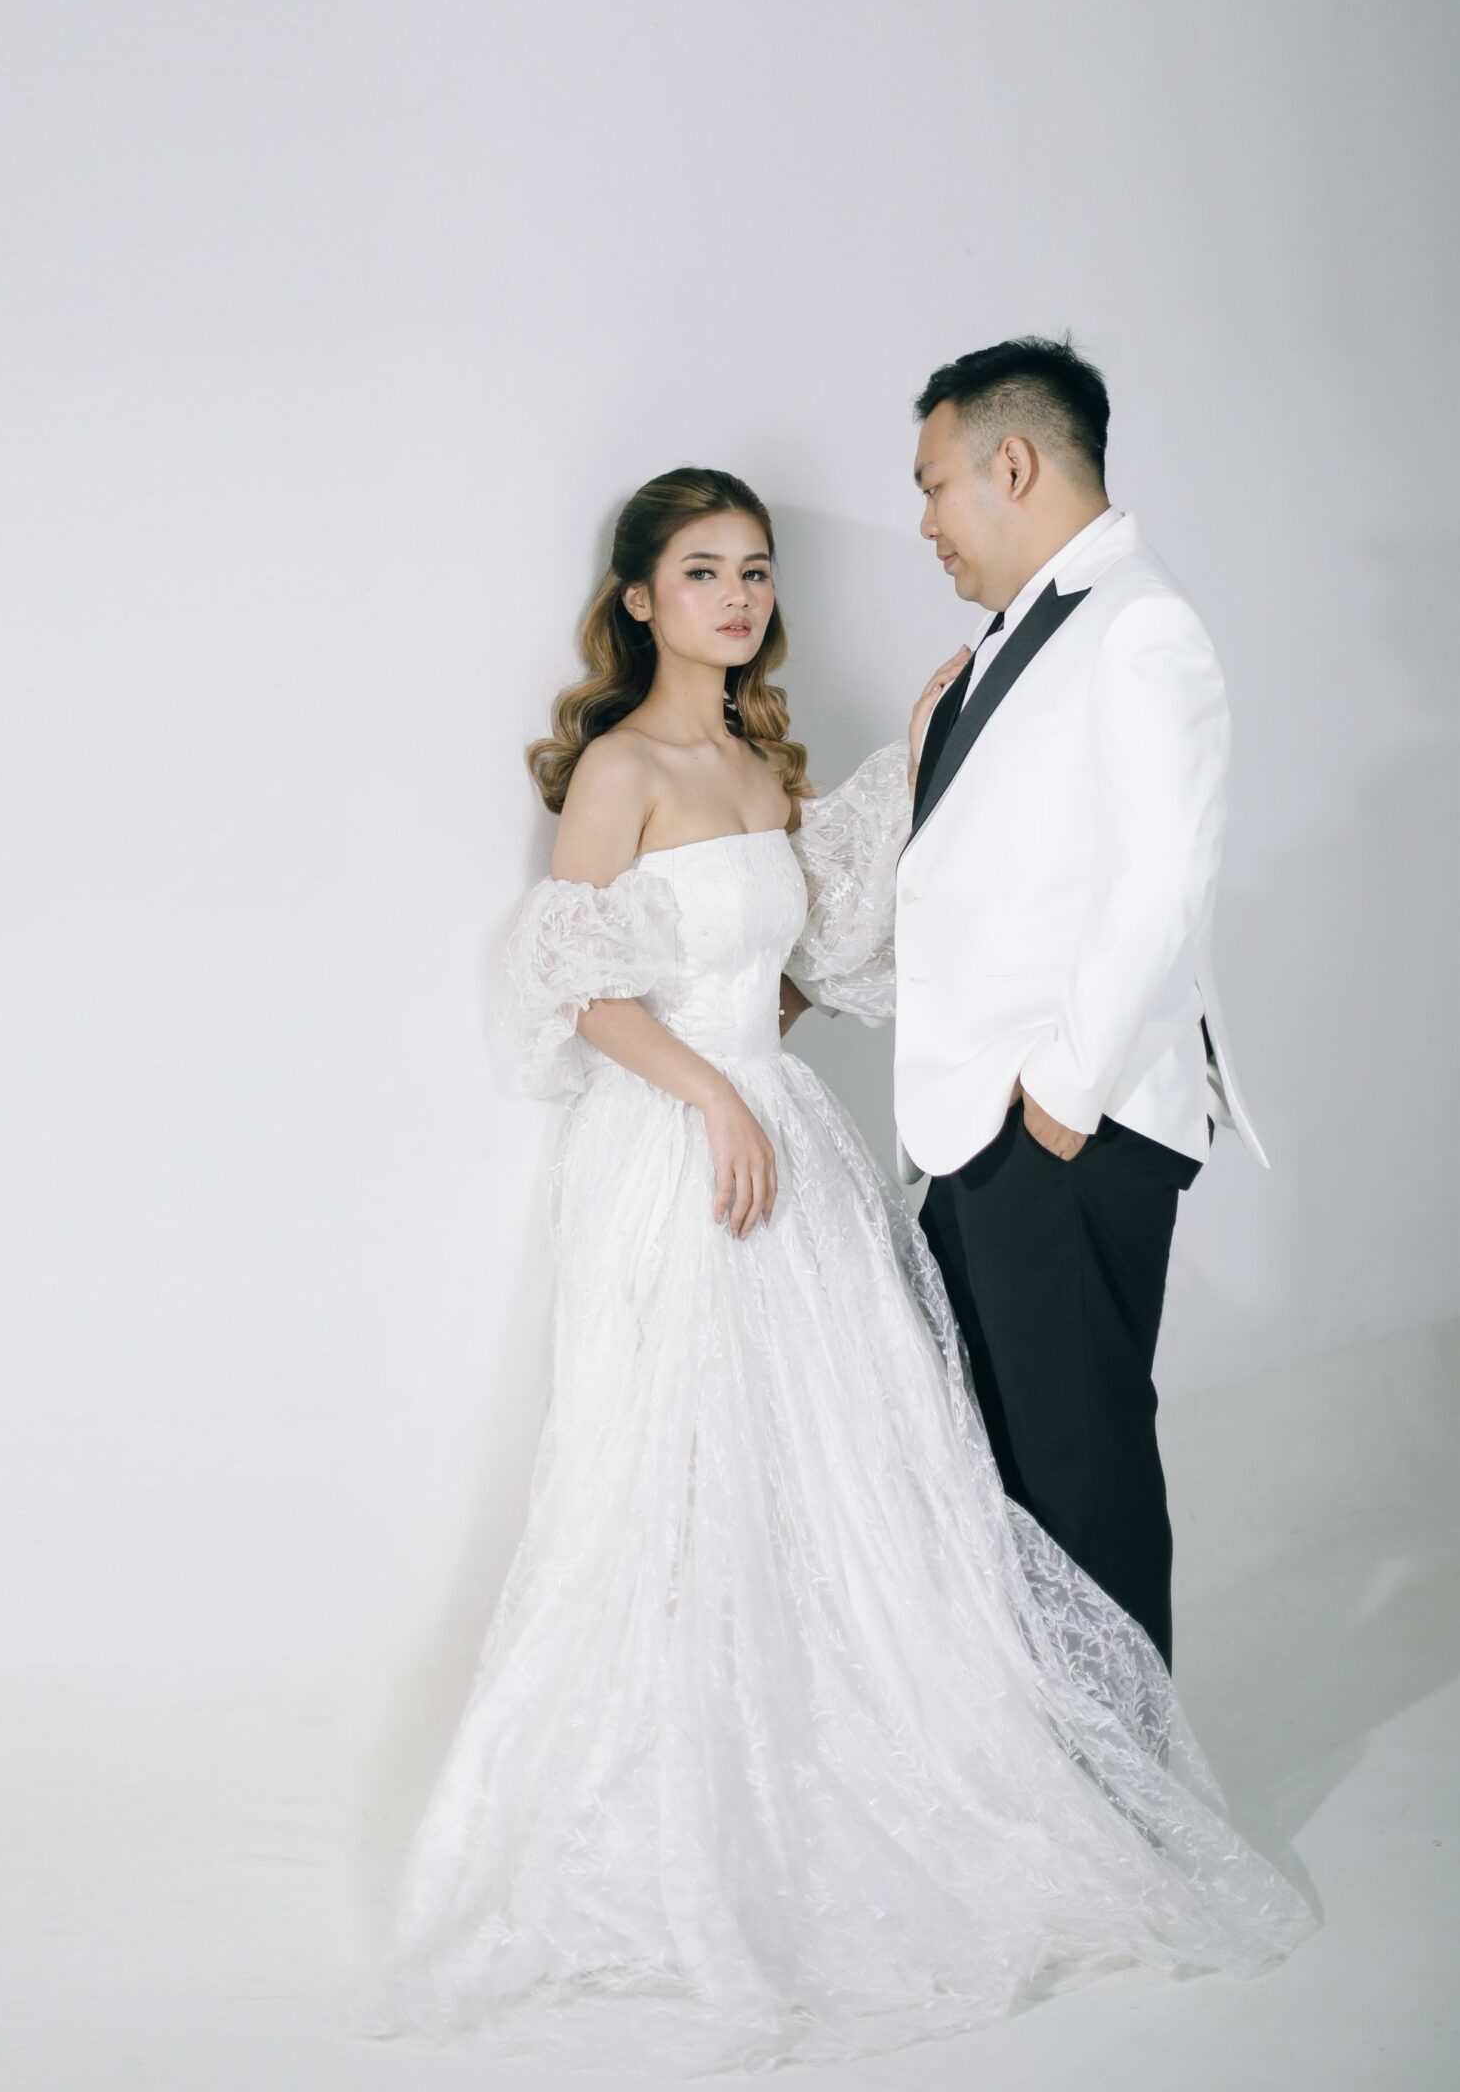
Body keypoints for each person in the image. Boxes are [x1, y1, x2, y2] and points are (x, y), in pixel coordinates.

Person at [358, 465, 1311, 2075]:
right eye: (701, 571)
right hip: (678, 1152)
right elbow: (577, 981)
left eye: (754, 571)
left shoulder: (754, 765)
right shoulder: (621, 765)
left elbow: (795, 964)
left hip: (781, 1142)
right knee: (677, 1475)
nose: (737, 597)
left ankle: (898, 1774)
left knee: (853, 1474)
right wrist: (715, 1095)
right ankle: (670, 1809)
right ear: (638, 599)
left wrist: (920, 760)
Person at [816, 336, 1249, 1674]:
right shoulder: (1018, 639)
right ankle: (1047, 1768)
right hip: (986, 1127)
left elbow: (1164, 878)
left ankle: (1127, 1785)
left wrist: (1058, 1094)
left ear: (1012, 463)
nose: (925, 521)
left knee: (1078, 1475)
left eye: (932, 484)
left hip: (1063, 1123)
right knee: (1000, 1478)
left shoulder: (1138, 623)